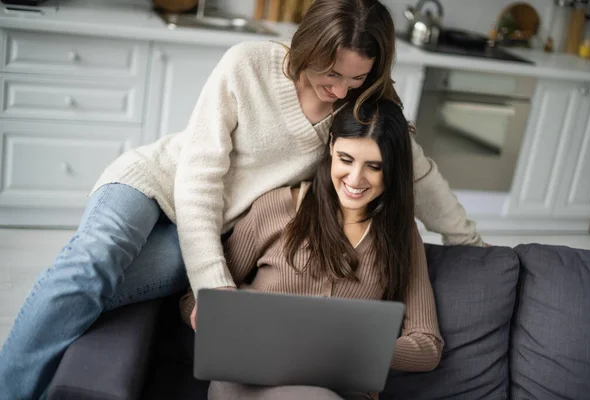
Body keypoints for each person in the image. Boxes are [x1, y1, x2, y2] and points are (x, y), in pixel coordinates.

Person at [0, 0, 479, 398]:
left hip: (218, 225)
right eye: (331, 73)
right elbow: (199, 173)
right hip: (160, 181)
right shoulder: (248, 65)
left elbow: (415, 174)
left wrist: (469, 242)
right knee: (90, 263)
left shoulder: (355, 108)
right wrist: (213, 282)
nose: (340, 90)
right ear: (307, 46)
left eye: (357, 79)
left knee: (101, 290)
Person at [181, 98, 444, 400]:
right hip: (250, 384)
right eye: (346, 159)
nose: (355, 179)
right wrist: (242, 313)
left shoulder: (401, 235)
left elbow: (427, 346)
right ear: (331, 146)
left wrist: (351, 348)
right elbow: (194, 301)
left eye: (374, 167)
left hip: (342, 391)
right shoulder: (276, 208)